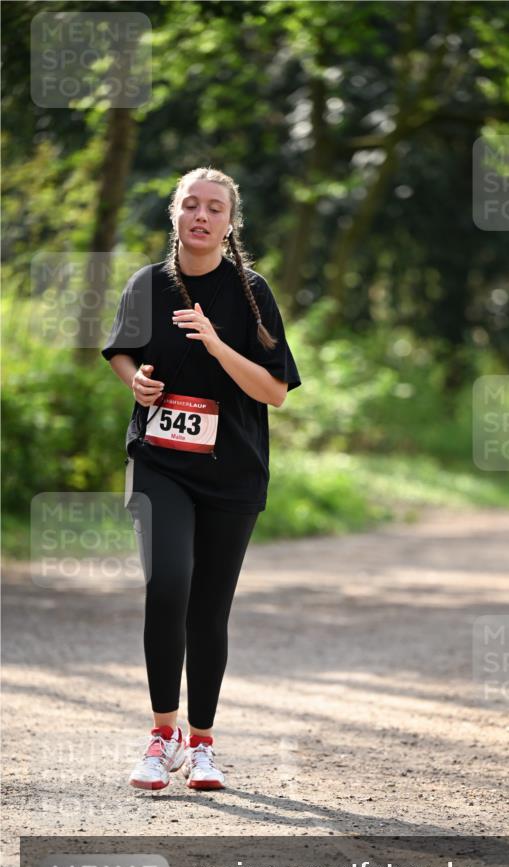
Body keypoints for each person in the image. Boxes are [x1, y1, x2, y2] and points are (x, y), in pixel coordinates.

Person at [100, 166, 302, 791]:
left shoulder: (251, 294)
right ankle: (163, 737)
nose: (202, 216)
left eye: (216, 207)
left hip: (232, 469)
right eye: (192, 204)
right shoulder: (147, 285)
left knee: (208, 609)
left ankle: (204, 744)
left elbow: (274, 392)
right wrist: (135, 381)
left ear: (229, 222)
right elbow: (121, 353)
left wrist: (217, 345)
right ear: (174, 215)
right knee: (168, 587)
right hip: (160, 461)